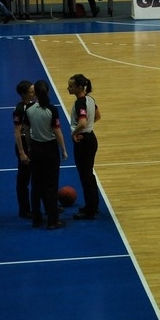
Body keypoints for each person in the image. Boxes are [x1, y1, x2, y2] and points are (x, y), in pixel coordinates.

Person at [25, 80, 68, 229]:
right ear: (48, 92)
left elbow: (26, 130)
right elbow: (57, 131)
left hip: (36, 148)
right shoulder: (52, 109)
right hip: (50, 150)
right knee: (51, 185)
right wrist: (63, 149)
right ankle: (53, 220)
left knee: (36, 185)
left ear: (35, 93)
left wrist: (30, 147)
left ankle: (36, 219)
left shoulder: (29, 109)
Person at [68, 74, 101, 220]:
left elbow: (81, 123)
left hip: (84, 141)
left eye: (71, 86)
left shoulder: (80, 103)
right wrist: (88, 126)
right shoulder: (90, 99)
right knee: (89, 174)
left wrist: (74, 133)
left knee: (85, 176)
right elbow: (98, 116)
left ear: (80, 87)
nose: (68, 88)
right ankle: (92, 205)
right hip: (91, 138)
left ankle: (90, 211)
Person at [13, 80, 35, 219]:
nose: (34, 93)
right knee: (24, 180)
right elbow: (17, 132)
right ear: (23, 94)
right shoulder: (20, 109)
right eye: (31, 91)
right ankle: (24, 209)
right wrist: (22, 152)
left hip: (34, 145)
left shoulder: (33, 105)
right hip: (25, 148)